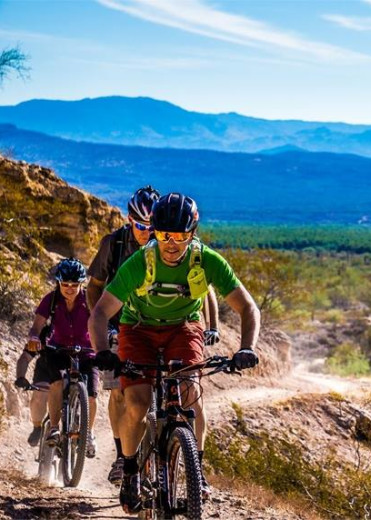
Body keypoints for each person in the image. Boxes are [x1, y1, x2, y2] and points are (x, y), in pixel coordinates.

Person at [89, 193, 259, 514]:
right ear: (155, 232)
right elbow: (100, 313)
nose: (171, 243)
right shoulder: (139, 263)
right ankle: (129, 472)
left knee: (191, 392)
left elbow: (247, 307)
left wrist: (246, 347)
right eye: (164, 235)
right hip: (137, 328)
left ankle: (197, 468)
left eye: (180, 236)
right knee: (137, 402)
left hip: (183, 328)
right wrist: (102, 352)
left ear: (192, 233)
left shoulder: (207, 260)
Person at [86, 185, 221, 485]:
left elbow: (204, 288)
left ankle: (182, 459)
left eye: (152, 227)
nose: (146, 231)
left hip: (169, 325)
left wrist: (212, 326)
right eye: (140, 225)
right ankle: (124, 457)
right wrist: (102, 326)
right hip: (122, 323)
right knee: (122, 393)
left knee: (181, 392)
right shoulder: (116, 244)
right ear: (129, 220)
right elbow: (94, 286)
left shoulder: (179, 245)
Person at [27, 258, 100, 457]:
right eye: (65, 284)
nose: (69, 288)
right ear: (58, 282)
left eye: (74, 285)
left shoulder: (89, 300)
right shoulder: (51, 299)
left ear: (81, 284)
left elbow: (101, 319)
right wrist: (34, 336)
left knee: (92, 396)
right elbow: (37, 325)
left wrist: (108, 335)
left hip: (86, 352)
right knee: (56, 383)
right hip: (57, 350)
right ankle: (54, 427)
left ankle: (89, 434)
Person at [14, 350, 50, 447]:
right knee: (39, 395)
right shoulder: (45, 334)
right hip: (47, 363)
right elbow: (25, 357)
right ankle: (37, 427)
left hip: (72, 364)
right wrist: (20, 377)